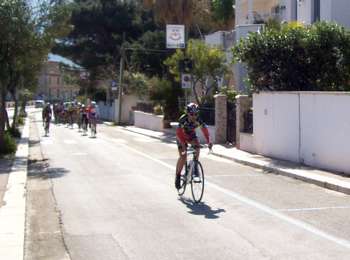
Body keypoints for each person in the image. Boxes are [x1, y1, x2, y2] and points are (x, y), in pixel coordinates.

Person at [175, 103, 213, 189]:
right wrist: (183, 144)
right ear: (187, 113)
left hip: (191, 136)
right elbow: (178, 132)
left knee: (197, 147)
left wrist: (209, 142)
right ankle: (178, 175)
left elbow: (205, 131)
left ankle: (195, 168)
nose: (194, 116)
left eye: (196, 114)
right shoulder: (183, 119)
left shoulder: (198, 120)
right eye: (191, 114)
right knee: (183, 156)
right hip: (181, 137)